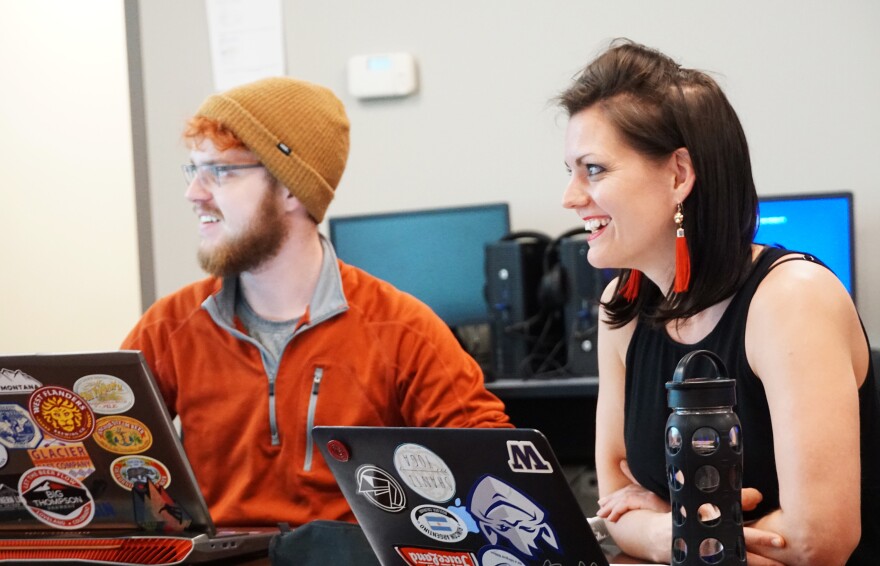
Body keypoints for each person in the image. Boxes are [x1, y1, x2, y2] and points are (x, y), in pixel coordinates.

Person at [122, 77, 511, 527]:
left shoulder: (401, 329)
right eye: (194, 170)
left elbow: (490, 467)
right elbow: (100, 452)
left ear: (290, 188)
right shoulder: (169, 327)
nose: (195, 193)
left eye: (221, 171)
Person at [558, 40, 879, 565]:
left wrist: (669, 529)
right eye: (569, 170)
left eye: (593, 169)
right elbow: (614, 492)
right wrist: (680, 535)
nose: (570, 197)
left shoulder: (793, 299)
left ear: (678, 175)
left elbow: (818, 541)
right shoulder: (623, 304)